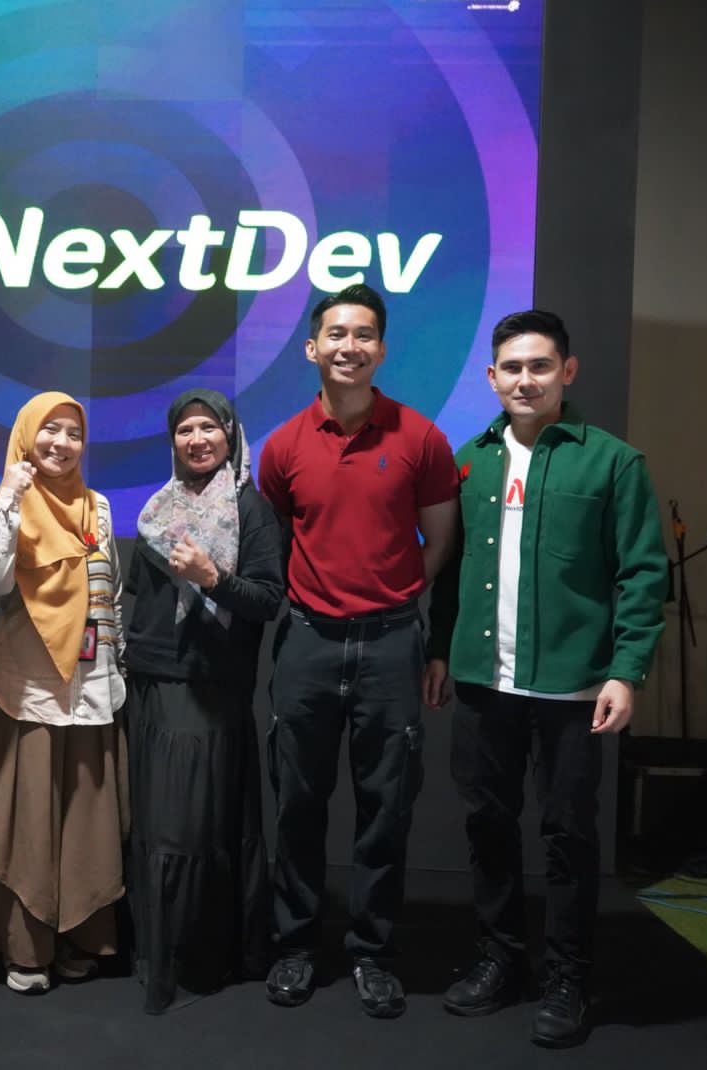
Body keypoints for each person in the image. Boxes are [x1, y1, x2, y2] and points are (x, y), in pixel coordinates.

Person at [426, 309, 667, 1048]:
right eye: (512, 368)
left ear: (568, 371)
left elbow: (643, 573)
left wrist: (626, 671)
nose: (524, 380)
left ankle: (568, 976)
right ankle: (501, 957)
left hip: (573, 688)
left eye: (539, 366)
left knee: (568, 836)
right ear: (491, 376)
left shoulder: (614, 463)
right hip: (482, 683)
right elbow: (449, 571)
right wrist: (439, 650)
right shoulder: (469, 461)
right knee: (487, 826)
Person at [256, 283, 459, 1016]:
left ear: (381, 348)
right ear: (313, 348)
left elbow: (440, 542)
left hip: (391, 645)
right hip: (308, 643)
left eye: (364, 334)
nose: (350, 346)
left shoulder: (420, 438)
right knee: (297, 807)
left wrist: (393, 599)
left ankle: (373, 953)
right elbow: (275, 544)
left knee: (385, 810)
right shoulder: (282, 445)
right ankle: (295, 947)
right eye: (337, 334)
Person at [0, 392, 127, 995]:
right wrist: (9, 496)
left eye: (73, 433)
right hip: (27, 691)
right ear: (26, 436)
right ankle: (25, 949)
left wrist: (115, 666)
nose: (61, 442)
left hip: (92, 689)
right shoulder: (6, 504)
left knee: (84, 825)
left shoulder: (98, 506)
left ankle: (79, 938)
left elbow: (110, 592)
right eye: (49, 430)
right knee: (24, 824)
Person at [124, 388, 280, 1014]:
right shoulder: (157, 509)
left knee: (193, 830)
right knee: (155, 826)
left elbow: (268, 600)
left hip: (212, 689)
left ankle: (197, 957)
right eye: (185, 429)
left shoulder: (251, 509)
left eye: (209, 428)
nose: (197, 440)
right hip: (151, 684)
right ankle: (154, 951)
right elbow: (139, 597)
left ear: (230, 435)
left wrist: (212, 578)